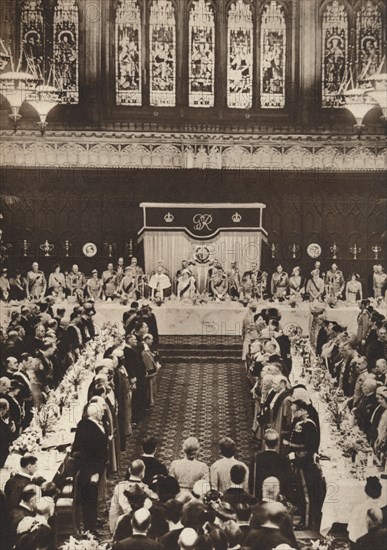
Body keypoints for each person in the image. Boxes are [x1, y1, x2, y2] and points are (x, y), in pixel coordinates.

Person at [71, 400, 108, 535]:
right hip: (91, 470)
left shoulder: (84, 424)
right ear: (96, 414)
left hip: (93, 467)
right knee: (90, 498)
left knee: (92, 497)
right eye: (101, 412)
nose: (103, 413)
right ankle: (89, 528)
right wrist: (95, 472)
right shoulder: (90, 430)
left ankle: (91, 522)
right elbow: (89, 453)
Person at [286, 399, 323, 530]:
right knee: (300, 491)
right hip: (298, 461)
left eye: (294, 411)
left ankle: (306, 521)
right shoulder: (299, 421)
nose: (293, 413)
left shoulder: (308, 425)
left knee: (305, 493)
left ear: (302, 411)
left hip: (304, 464)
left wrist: (295, 457)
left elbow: (310, 447)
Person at [249, 429, 294, 501]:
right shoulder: (284, 460)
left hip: (261, 499)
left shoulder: (256, 459)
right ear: (278, 443)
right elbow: (288, 482)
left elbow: (251, 481)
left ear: (264, 442)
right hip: (278, 499)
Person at [348, 476, 385, 544]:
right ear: (380, 492)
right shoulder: (384, 507)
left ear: (365, 492)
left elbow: (350, 530)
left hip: (359, 543)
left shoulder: (358, 508)